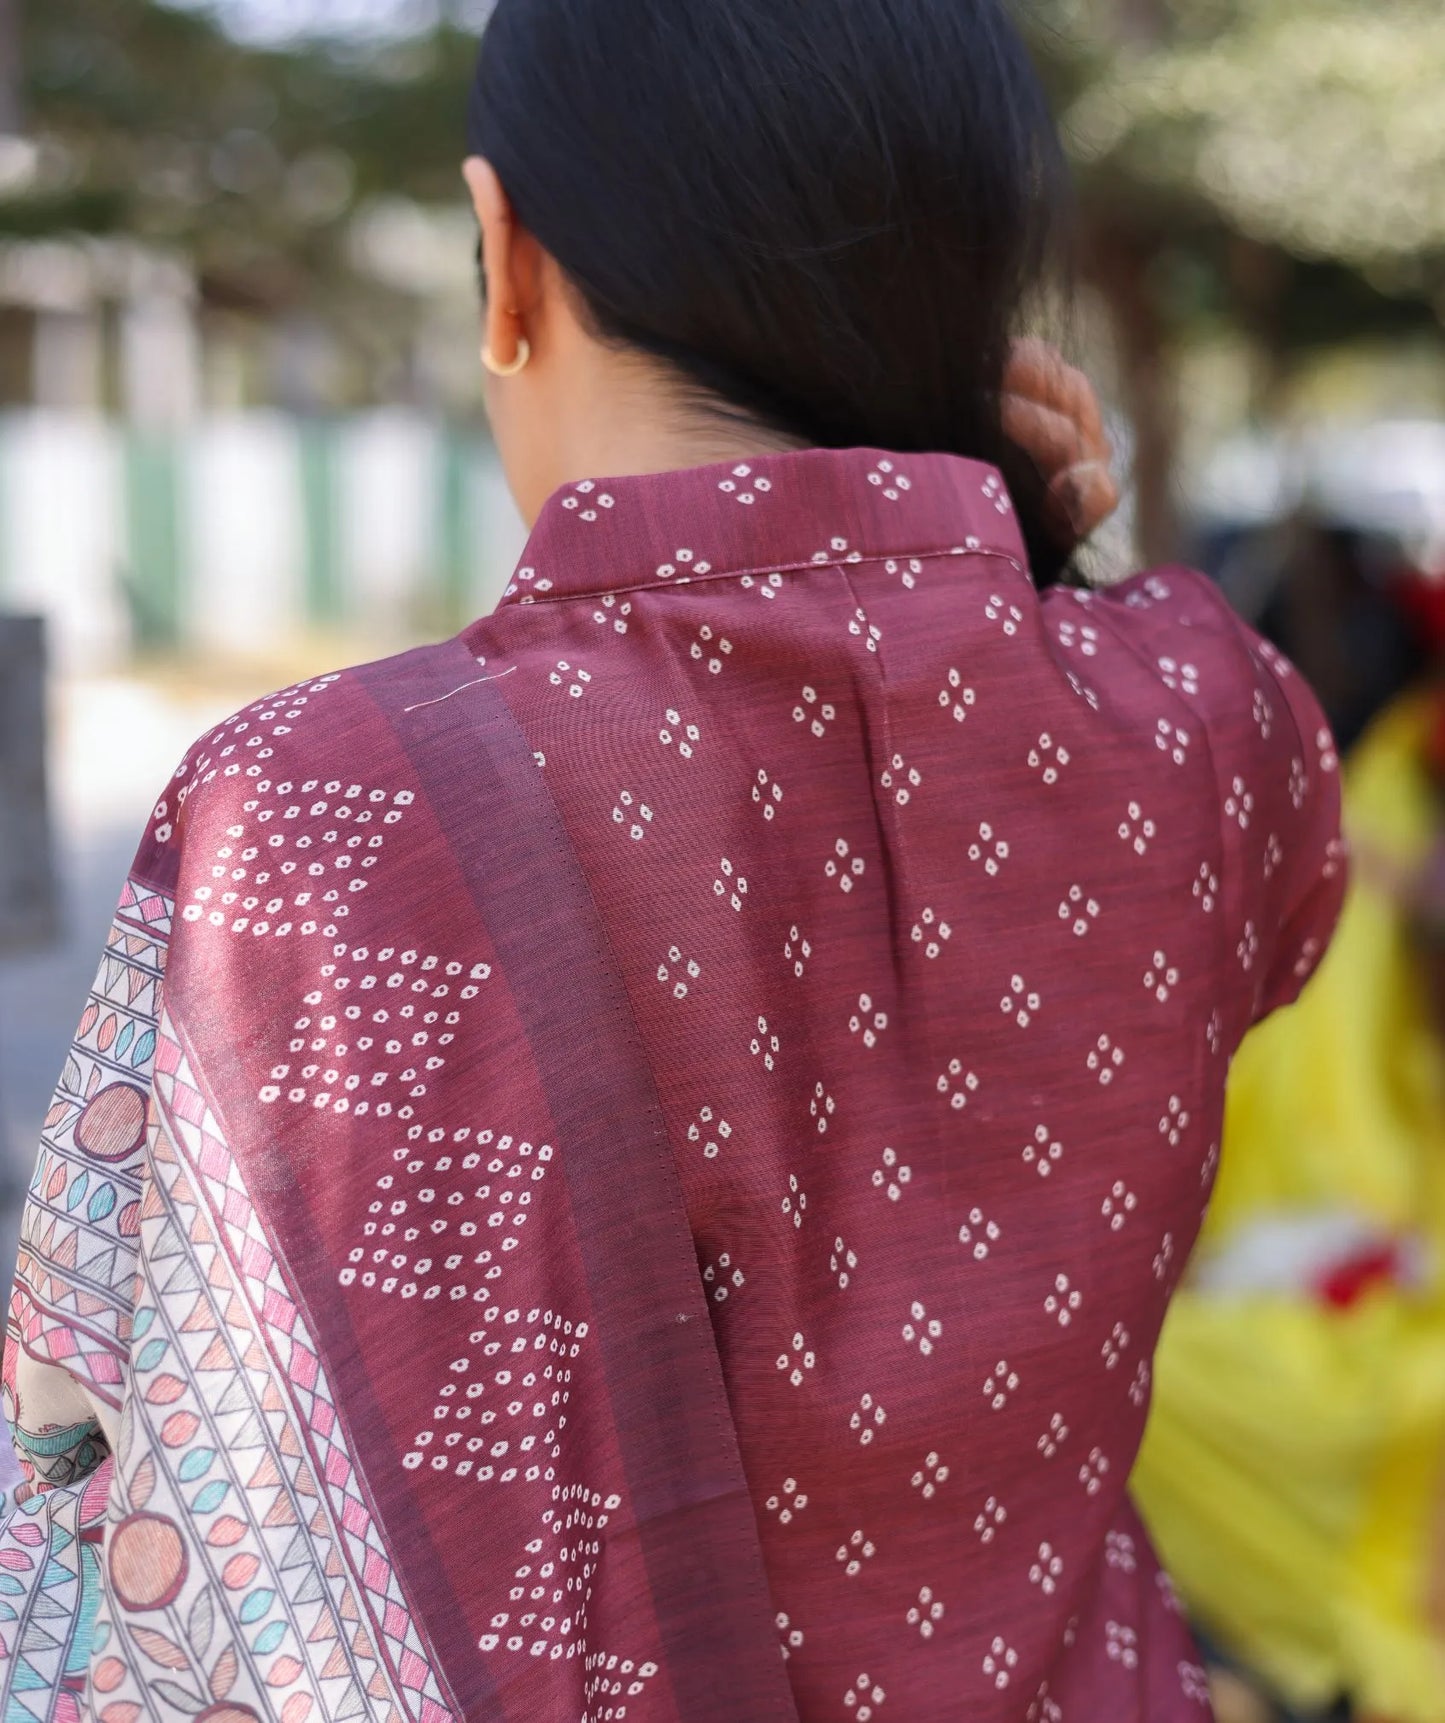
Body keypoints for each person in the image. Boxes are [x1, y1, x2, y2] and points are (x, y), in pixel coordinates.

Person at [0, 3, 1343, 1720]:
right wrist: (1048, 560)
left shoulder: (329, 810)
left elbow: (105, 1458)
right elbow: (1269, 901)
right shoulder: (1207, 716)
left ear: (505, 261)